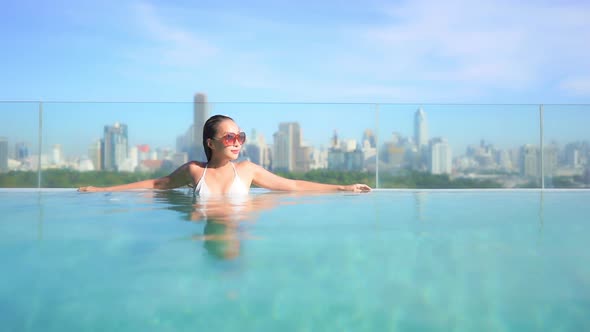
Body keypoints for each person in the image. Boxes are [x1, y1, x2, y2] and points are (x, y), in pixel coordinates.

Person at [78, 115, 372, 194]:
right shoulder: (195, 171)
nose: (237, 142)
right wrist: (102, 189)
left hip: (237, 232)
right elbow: (157, 185)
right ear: (211, 143)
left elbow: (293, 185)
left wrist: (343, 187)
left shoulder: (247, 170)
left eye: (240, 137)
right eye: (230, 137)